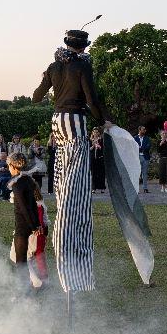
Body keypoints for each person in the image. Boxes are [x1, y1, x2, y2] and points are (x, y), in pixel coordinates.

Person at [32, 28, 113, 316]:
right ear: (84, 46)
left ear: (66, 44)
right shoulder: (83, 66)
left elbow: (35, 97)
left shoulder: (55, 66)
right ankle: (70, 241)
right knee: (76, 184)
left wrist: (49, 78)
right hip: (76, 121)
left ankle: (64, 219)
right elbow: (91, 100)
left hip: (56, 121)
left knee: (63, 177)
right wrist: (104, 122)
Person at [7, 152, 45, 297]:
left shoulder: (17, 183)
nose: (8, 168)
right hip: (29, 225)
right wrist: (36, 224)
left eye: (8, 165)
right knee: (21, 259)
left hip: (22, 227)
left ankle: (23, 291)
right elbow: (33, 206)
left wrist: (33, 226)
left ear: (13, 166)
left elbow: (24, 207)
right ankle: (26, 287)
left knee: (20, 260)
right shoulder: (28, 180)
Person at [134, 126, 151, 194]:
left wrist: (141, 148)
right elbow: (134, 147)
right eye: (143, 129)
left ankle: (145, 188)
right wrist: (141, 148)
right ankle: (136, 189)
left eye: (145, 129)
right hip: (137, 157)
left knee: (145, 173)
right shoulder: (135, 138)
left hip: (145, 157)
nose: (145, 130)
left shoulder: (147, 138)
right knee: (137, 174)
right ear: (139, 130)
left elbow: (148, 146)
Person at [89, 127, 105, 194]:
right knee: (93, 173)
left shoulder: (101, 140)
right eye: (94, 132)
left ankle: (102, 188)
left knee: (101, 173)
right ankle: (93, 188)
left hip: (100, 158)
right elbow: (89, 149)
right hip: (93, 159)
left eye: (96, 132)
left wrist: (99, 146)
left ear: (98, 133)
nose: (95, 133)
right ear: (92, 133)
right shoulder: (90, 140)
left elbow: (103, 148)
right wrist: (93, 145)